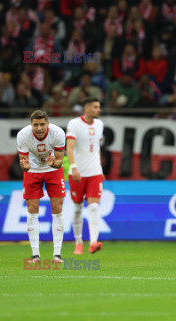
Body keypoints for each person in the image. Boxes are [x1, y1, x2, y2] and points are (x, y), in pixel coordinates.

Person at [17, 110, 66, 263]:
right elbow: (24, 163)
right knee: (32, 210)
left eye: (42, 124)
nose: (39, 128)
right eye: (35, 125)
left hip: (53, 171)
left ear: (48, 124)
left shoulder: (58, 133)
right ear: (31, 125)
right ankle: (35, 255)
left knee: (57, 209)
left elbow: (59, 161)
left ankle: (57, 254)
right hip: (32, 171)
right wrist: (24, 167)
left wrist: (53, 163)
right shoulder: (23, 135)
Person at [65, 98, 104, 255]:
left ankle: (93, 242)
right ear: (86, 108)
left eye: (99, 107)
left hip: (94, 173)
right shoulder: (74, 124)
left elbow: (96, 148)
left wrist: (101, 169)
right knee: (77, 208)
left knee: (94, 207)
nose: (98, 110)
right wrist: (74, 168)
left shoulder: (100, 125)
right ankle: (78, 242)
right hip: (78, 174)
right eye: (95, 107)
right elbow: (69, 148)